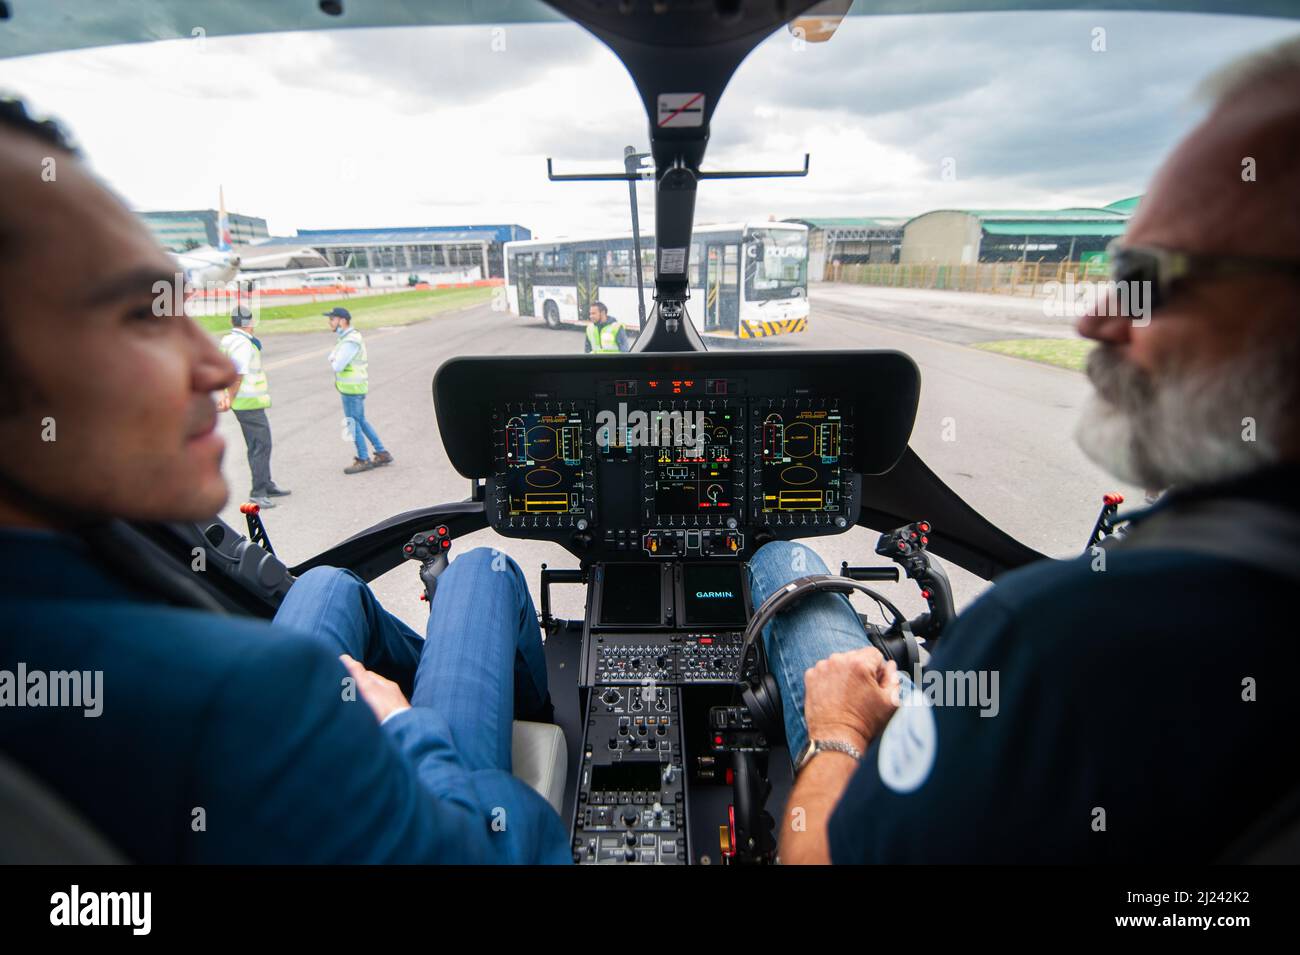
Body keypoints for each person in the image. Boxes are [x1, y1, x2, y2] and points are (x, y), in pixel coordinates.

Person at [756, 36, 1300, 864]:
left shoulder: (1054, 639)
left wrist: (836, 728)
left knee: (781, 556)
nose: (1095, 317)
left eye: (1152, 275)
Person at [0, 99, 568, 863]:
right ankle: (544, 722)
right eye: (141, 314)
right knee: (483, 569)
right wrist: (401, 726)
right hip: (422, 793)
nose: (219, 368)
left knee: (329, 582)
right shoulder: (245, 703)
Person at [216, 305, 290, 507]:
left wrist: (226, 396)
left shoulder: (229, 340)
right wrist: (230, 397)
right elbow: (238, 373)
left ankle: (266, 484)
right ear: (249, 323)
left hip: (245, 402)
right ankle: (258, 492)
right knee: (260, 445)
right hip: (247, 402)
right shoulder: (242, 344)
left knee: (259, 444)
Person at [325, 306, 393, 474]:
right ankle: (382, 452)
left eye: (332, 319)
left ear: (342, 321)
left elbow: (337, 364)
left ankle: (363, 458)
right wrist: (333, 357)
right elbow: (333, 357)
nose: (329, 323)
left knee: (353, 423)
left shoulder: (350, 341)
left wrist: (333, 359)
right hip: (352, 387)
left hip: (352, 389)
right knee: (361, 421)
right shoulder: (347, 338)